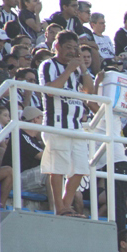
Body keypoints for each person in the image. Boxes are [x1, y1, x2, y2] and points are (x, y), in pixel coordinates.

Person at [38, 30, 95, 216]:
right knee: (58, 168)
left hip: (75, 126)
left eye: (75, 48)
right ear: (57, 47)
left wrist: (83, 69)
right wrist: (69, 69)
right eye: (68, 47)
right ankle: (60, 207)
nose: (72, 51)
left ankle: (65, 205)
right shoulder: (48, 65)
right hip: (56, 124)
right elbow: (49, 91)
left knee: (80, 168)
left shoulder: (78, 69)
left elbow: (90, 92)